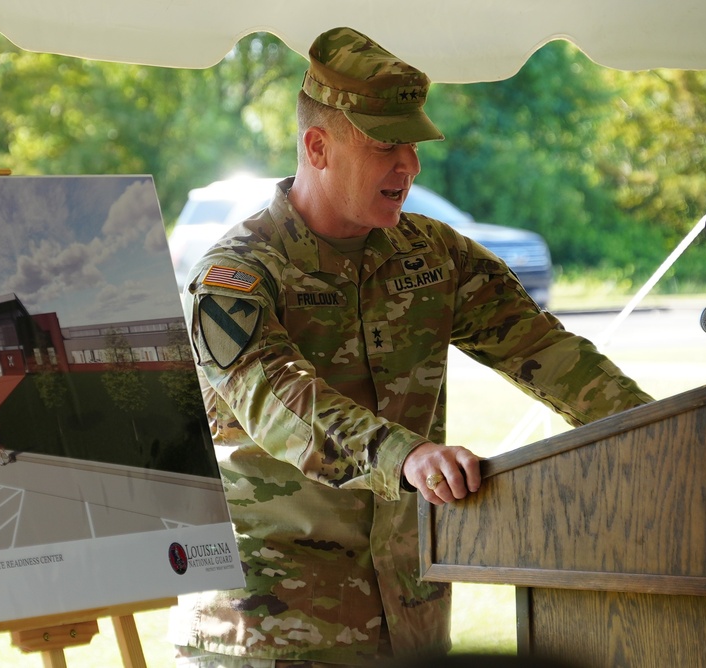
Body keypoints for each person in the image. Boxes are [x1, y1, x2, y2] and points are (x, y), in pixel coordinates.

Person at [170, 26, 654, 666]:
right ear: (318, 146)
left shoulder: (435, 254)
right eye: (386, 145)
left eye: (414, 144)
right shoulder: (238, 275)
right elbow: (281, 402)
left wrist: (663, 437)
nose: (410, 165)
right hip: (272, 634)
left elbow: (552, 355)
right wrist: (407, 455)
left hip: (411, 622)